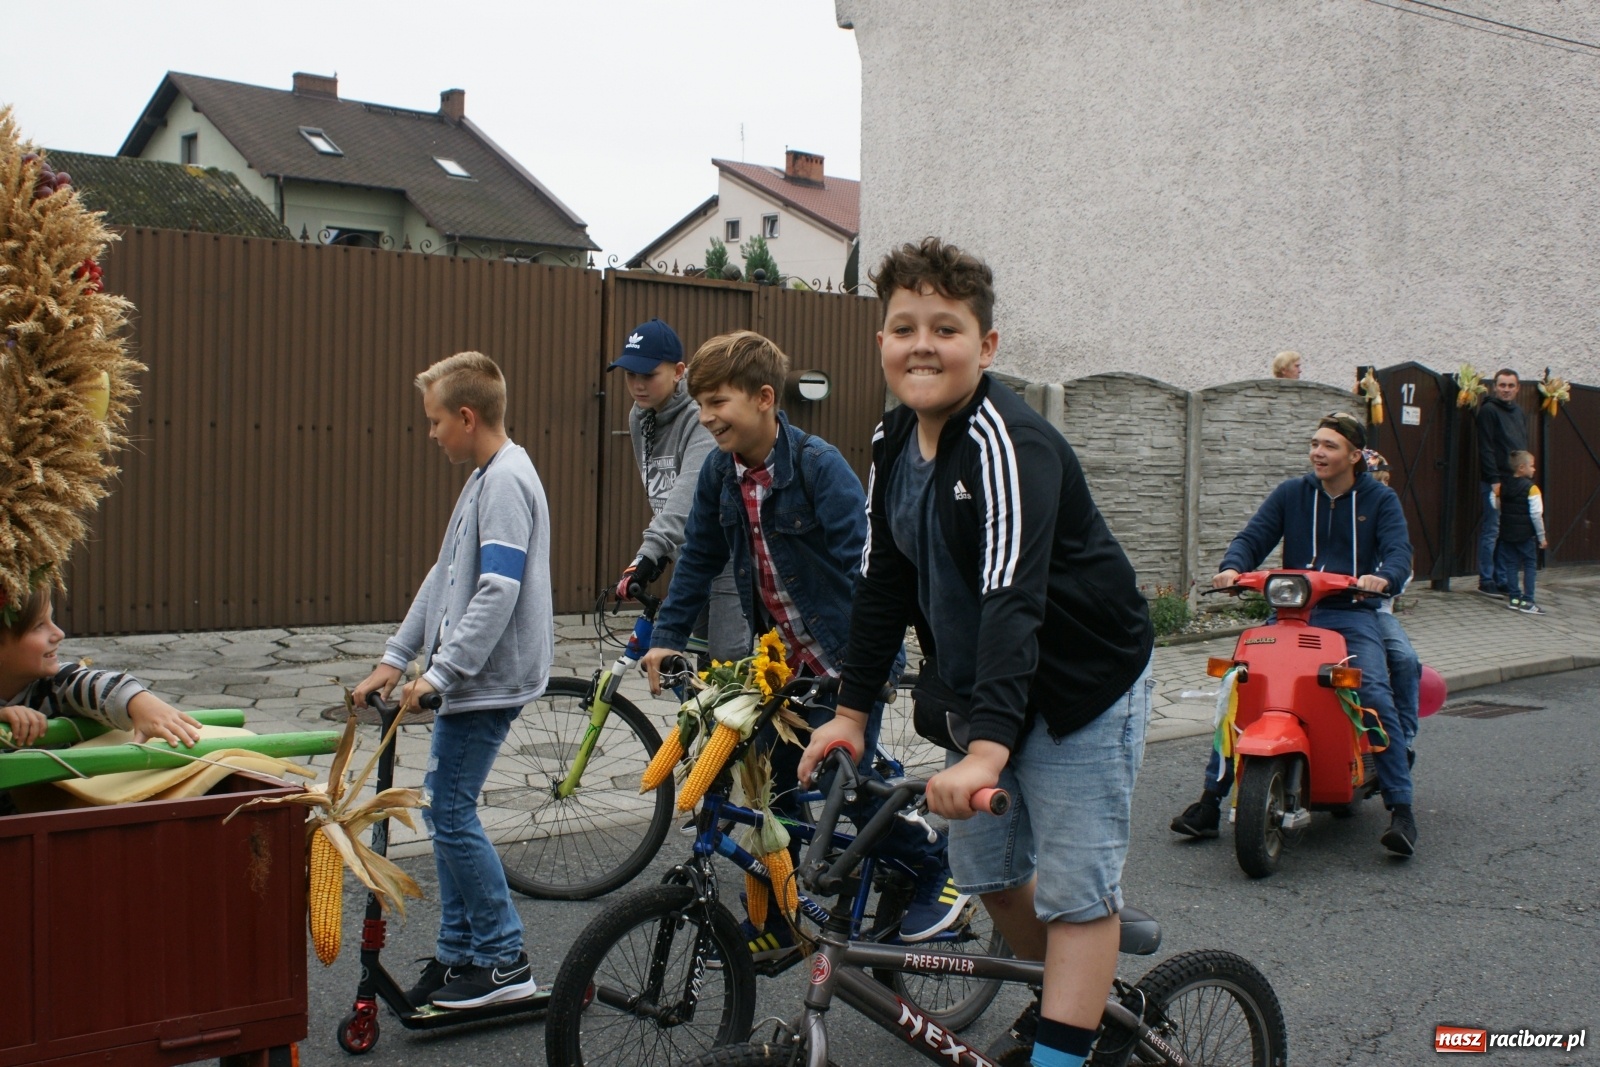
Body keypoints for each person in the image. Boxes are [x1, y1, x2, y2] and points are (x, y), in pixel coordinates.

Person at [799, 237, 1154, 1067]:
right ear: (881, 340)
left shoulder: (1006, 444)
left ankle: (1065, 1038)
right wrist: (852, 711)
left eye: (946, 328)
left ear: (986, 346)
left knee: (1073, 890)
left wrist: (987, 751)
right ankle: (1078, 995)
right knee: (989, 872)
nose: (922, 343)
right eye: (903, 326)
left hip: (1077, 691)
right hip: (987, 689)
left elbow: (1012, 599)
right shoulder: (893, 442)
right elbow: (884, 582)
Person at [637, 330, 963, 948]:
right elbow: (701, 558)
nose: (705, 418)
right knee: (778, 790)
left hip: (846, 659)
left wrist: (877, 669)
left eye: (718, 403)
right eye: (699, 404)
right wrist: (667, 635)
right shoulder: (718, 474)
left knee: (851, 791)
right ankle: (784, 916)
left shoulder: (817, 467)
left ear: (764, 398)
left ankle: (934, 871)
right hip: (782, 664)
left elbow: (871, 569)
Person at [351, 351, 551, 1010]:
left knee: (451, 809)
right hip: (473, 676)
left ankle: (503, 958)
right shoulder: (484, 476)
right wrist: (396, 654)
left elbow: (498, 588)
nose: (432, 432)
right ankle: (462, 951)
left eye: (436, 421)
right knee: (446, 805)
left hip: (487, 678)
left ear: (467, 416)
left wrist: (440, 671)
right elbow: (444, 577)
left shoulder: (506, 482)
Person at [1169, 413, 1418, 857]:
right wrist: (1232, 567)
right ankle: (1210, 803)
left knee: (1375, 693)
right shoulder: (1292, 493)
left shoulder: (1379, 499)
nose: (1318, 452)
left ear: (1354, 456)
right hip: (1289, 614)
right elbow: (1254, 536)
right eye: (1315, 443)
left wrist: (1384, 577)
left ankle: (1401, 809)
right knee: (1238, 692)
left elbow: (1399, 551)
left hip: (1350, 613)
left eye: (1330, 446)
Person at [606, 319, 746, 661]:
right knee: (684, 661)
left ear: (678, 370)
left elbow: (688, 491)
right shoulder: (639, 417)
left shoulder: (700, 417)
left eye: (648, 375)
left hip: (728, 553)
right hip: (691, 553)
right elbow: (658, 488)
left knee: (726, 664)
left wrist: (651, 550)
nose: (638, 385)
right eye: (630, 375)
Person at [1, 581, 203, 814]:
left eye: (52, 619)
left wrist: (141, 703)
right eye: (39, 626)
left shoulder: (55, 684)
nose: (58, 633)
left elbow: (92, 684)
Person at [1363, 452, 1423, 763]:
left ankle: (1405, 738)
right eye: (1379, 480)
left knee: (1404, 658)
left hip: (1374, 612)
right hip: (1326, 609)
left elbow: (1402, 562)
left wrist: (1386, 579)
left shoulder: (1388, 513)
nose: (1386, 487)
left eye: (1388, 481)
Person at [1475, 368, 1529, 599]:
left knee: (1507, 532)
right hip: (1495, 481)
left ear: (1517, 388)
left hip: (1515, 481)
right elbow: (1486, 448)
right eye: (1502, 385)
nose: (1506, 390)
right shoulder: (1488, 411)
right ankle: (1486, 580)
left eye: (1511, 386)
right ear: (1494, 387)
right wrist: (1494, 479)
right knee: (1492, 530)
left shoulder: (1518, 412)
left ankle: (1502, 579)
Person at [1492, 450, 1547, 615]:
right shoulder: (1532, 489)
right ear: (1522, 468)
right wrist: (1541, 537)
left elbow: (1495, 505)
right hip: (1525, 535)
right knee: (1530, 565)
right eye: (1532, 466)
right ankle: (1528, 601)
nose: (1534, 469)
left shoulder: (1502, 486)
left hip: (1507, 533)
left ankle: (1514, 599)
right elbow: (1536, 515)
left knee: (1511, 564)